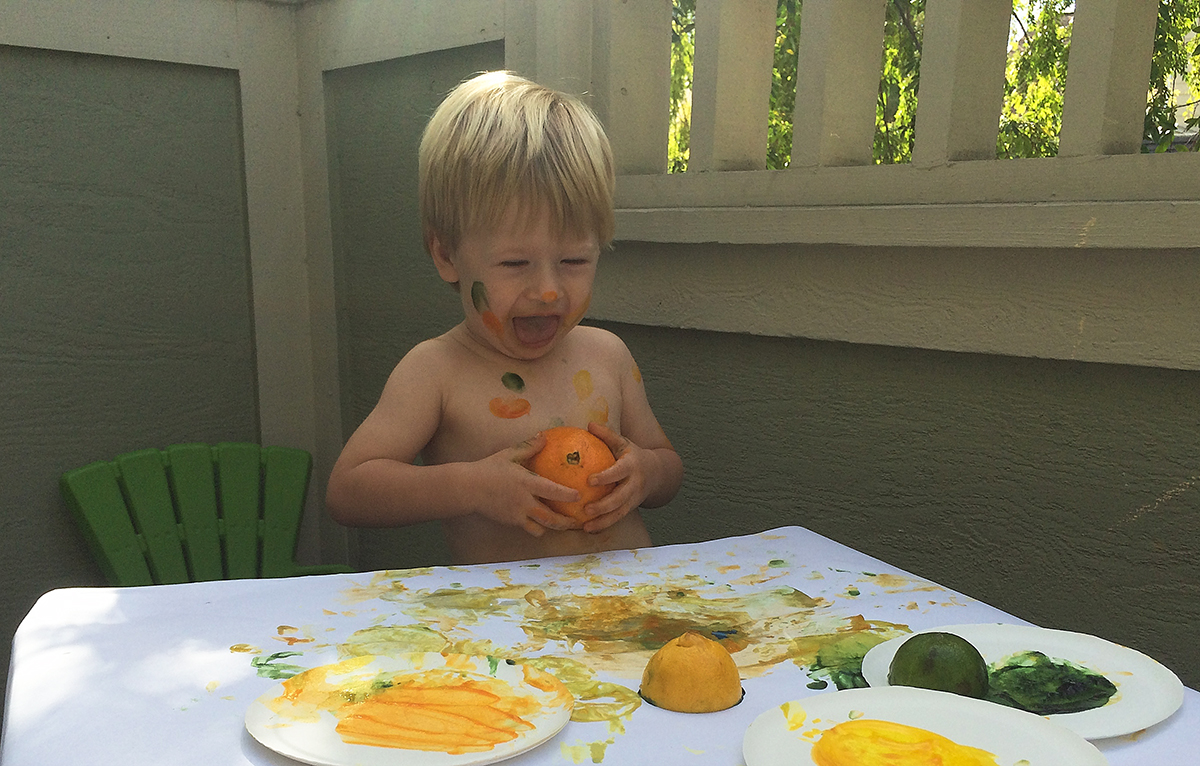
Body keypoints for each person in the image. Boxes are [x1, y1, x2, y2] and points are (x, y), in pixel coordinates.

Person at [325, 71, 683, 565]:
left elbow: (668, 467)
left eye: (575, 260)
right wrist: (471, 486)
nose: (549, 289)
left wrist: (645, 474)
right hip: (508, 627)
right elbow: (349, 490)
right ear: (447, 255)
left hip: (624, 611)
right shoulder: (436, 371)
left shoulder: (608, 355)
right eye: (515, 264)